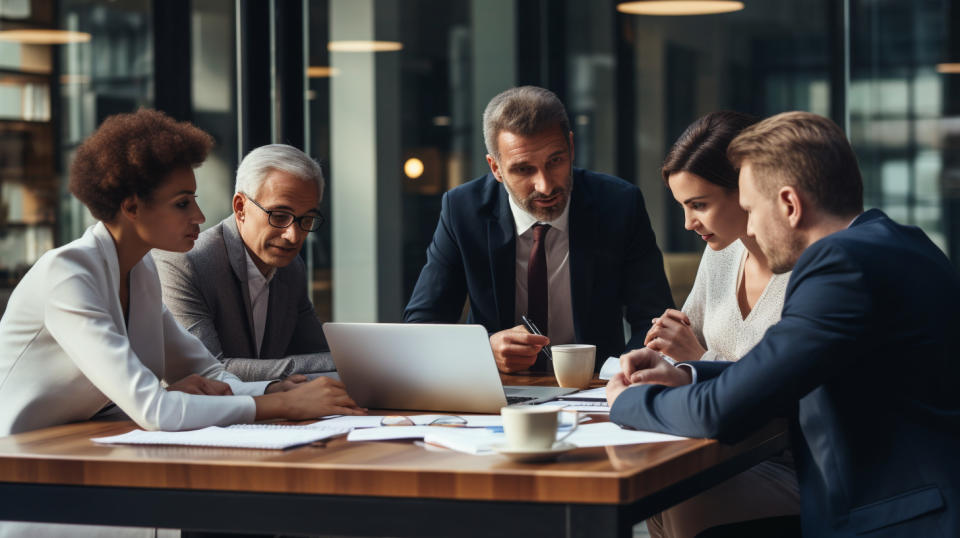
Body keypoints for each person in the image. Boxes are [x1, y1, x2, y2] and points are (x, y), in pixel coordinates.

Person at [607, 111, 960, 537]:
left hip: (889, 520)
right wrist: (689, 373)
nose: (750, 226)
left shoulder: (839, 267)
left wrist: (624, 403)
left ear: (790, 205)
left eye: (752, 209)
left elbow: (722, 412)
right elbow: (784, 374)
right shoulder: (902, 243)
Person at [0, 109, 364, 438]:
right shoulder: (68, 273)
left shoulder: (140, 271)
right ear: (131, 206)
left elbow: (210, 375)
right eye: (182, 203)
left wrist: (272, 390)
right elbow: (155, 409)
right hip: (18, 463)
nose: (200, 217)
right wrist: (281, 406)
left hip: (72, 448)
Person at [404, 86, 674, 373]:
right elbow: (422, 327)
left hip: (595, 389)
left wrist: (624, 372)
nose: (545, 186)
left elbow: (653, 321)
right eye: (523, 169)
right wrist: (483, 351)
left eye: (555, 161)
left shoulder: (619, 204)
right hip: (497, 391)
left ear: (571, 147)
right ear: (495, 168)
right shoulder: (463, 211)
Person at [642, 111, 799, 538]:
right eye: (683, 206)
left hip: (787, 462)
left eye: (699, 205)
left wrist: (696, 359)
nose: (688, 223)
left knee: (677, 490)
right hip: (718, 448)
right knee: (659, 486)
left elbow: (781, 395)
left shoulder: (804, 271)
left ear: (746, 188)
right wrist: (659, 354)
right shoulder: (721, 254)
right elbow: (684, 336)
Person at [155, 144, 334, 382]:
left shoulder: (292, 268)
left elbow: (316, 352)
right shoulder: (185, 264)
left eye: (307, 219)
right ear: (240, 208)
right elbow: (208, 371)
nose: (293, 235)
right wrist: (344, 362)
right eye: (279, 216)